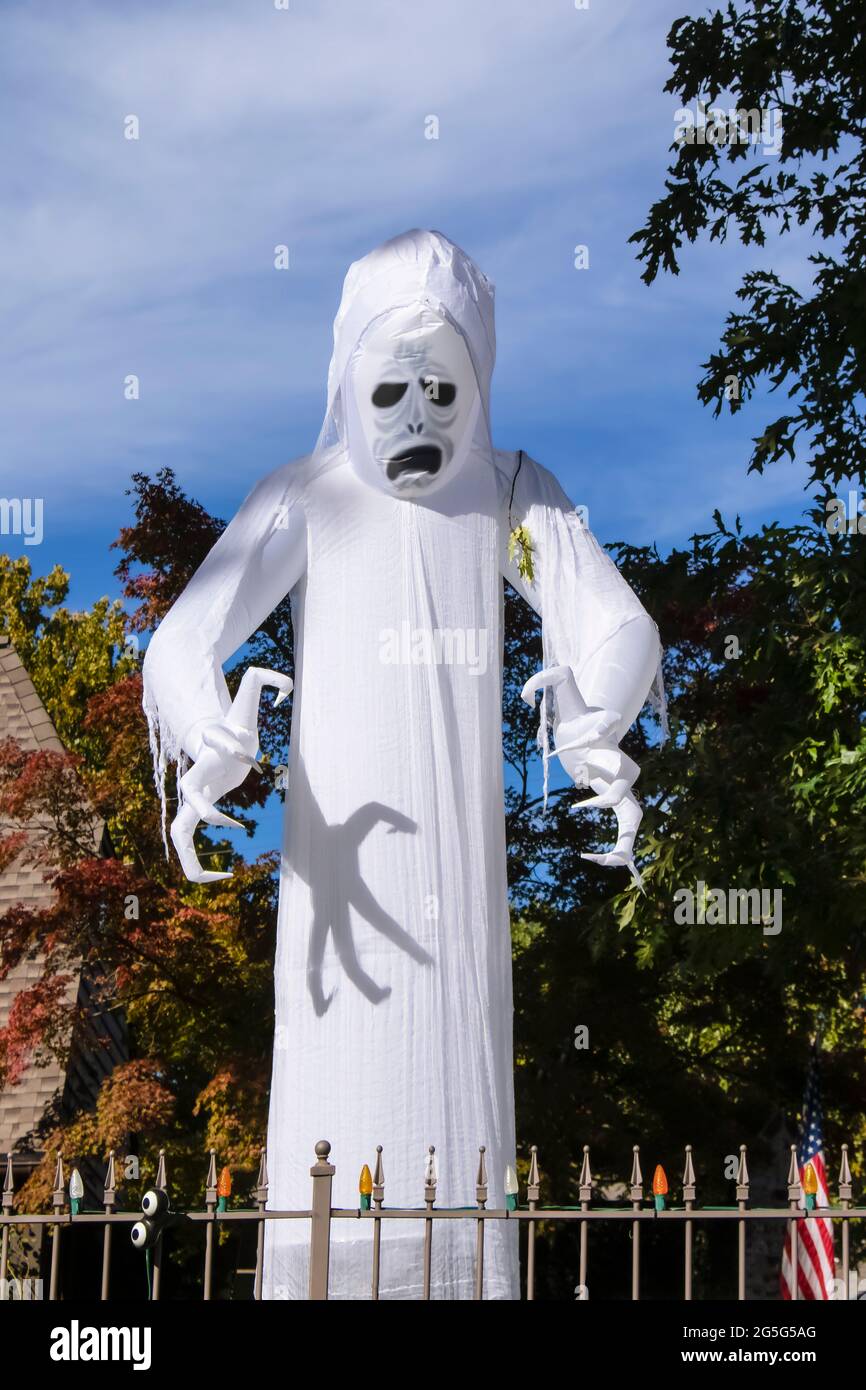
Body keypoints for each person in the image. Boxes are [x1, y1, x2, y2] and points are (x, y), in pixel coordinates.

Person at [142, 229, 663, 1299]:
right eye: (391, 392)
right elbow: (184, 642)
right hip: (333, 894)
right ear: (346, 383)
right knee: (334, 1116)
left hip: (461, 912)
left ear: (477, 382)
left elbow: (614, 625)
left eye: (440, 388)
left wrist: (592, 718)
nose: (419, 417)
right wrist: (215, 732)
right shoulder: (308, 498)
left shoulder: (509, 502)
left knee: (455, 1119)